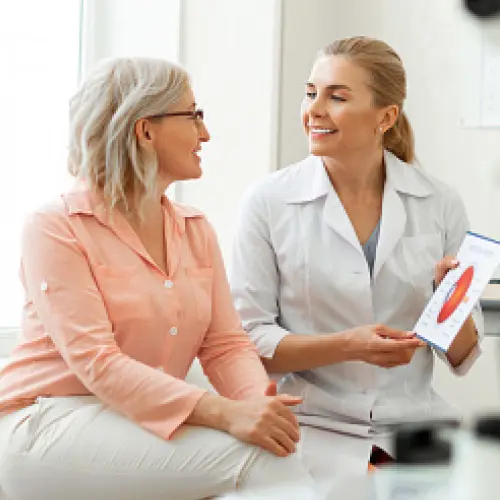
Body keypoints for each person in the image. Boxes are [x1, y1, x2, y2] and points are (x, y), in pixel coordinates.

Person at [0, 57, 314, 500]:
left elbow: (224, 343)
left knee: (278, 448)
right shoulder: (55, 226)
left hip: (133, 420)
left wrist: (255, 405)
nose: (205, 134)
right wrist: (225, 414)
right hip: (48, 419)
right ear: (145, 130)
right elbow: (97, 361)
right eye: (193, 115)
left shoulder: (194, 228)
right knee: (260, 461)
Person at [229, 36, 483, 480]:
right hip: (309, 427)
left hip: (415, 426)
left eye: (337, 96)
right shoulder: (268, 201)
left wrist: (451, 304)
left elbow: (462, 356)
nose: (314, 110)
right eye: (311, 93)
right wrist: (348, 346)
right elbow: (248, 341)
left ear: (385, 117)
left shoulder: (438, 201)